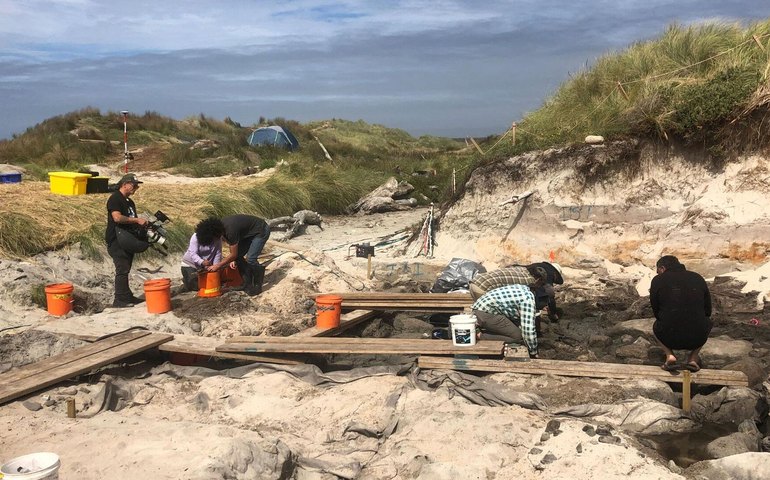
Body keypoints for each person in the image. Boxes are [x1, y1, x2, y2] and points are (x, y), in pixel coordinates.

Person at [650, 255, 712, 372]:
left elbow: (656, 310)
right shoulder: (697, 277)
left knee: (656, 325)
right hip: (697, 337)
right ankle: (693, 358)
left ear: (662, 268)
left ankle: (670, 356)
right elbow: (708, 310)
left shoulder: (658, 280)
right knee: (708, 322)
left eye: (658, 271)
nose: (658, 274)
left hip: (668, 335)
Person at [105, 173, 148, 308]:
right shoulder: (115, 198)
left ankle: (127, 296)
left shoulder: (129, 202)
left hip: (127, 239)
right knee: (122, 268)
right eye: (134, 185)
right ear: (125, 184)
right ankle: (119, 299)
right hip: (116, 239)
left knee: (126, 268)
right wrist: (136, 220)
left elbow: (130, 219)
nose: (136, 188)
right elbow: (117, 218)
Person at [469, 261, 564, 320]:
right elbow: (549, 293)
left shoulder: (528, 269)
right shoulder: (539, 277)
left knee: (482, 313)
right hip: (483, 288)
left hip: (475, 282)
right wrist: (553, 312)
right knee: (494, 316)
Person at [471, 284, 539, 359]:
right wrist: (533, 351)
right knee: (518, 337)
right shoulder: (528, 300)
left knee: (514, 328)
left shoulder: (523, 288)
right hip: (485, 314)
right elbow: (528, 330)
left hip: (480, 308)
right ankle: (480, 335)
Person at [208, 214, 270, 295]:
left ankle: (257, 286)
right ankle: (247, 283)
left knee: (251, 259)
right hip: (249, 233)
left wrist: (218, 265)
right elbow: (234, 255)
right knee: (237, 257)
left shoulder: (230, 231)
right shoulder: (222, 228)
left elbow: (233, 254)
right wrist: (232, 259)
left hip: (261, 230)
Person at [181, 218, 224, 291]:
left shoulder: (218, 238)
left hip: (205, 267)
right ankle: (186, 283)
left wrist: (215, 267)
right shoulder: (195, 237)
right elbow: (193, 253)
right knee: (197, 287)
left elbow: (218, 253)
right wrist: (202, 262)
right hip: (190, 264)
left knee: (211, 285)